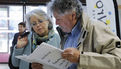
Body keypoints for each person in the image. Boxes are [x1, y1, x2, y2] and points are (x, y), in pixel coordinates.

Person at [48, 0, 121, 69]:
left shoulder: (96, 28)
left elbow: (118, 61)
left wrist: (81, 57)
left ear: (73, 16)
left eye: (58, 19)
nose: (56, 23)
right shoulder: (65, 35)